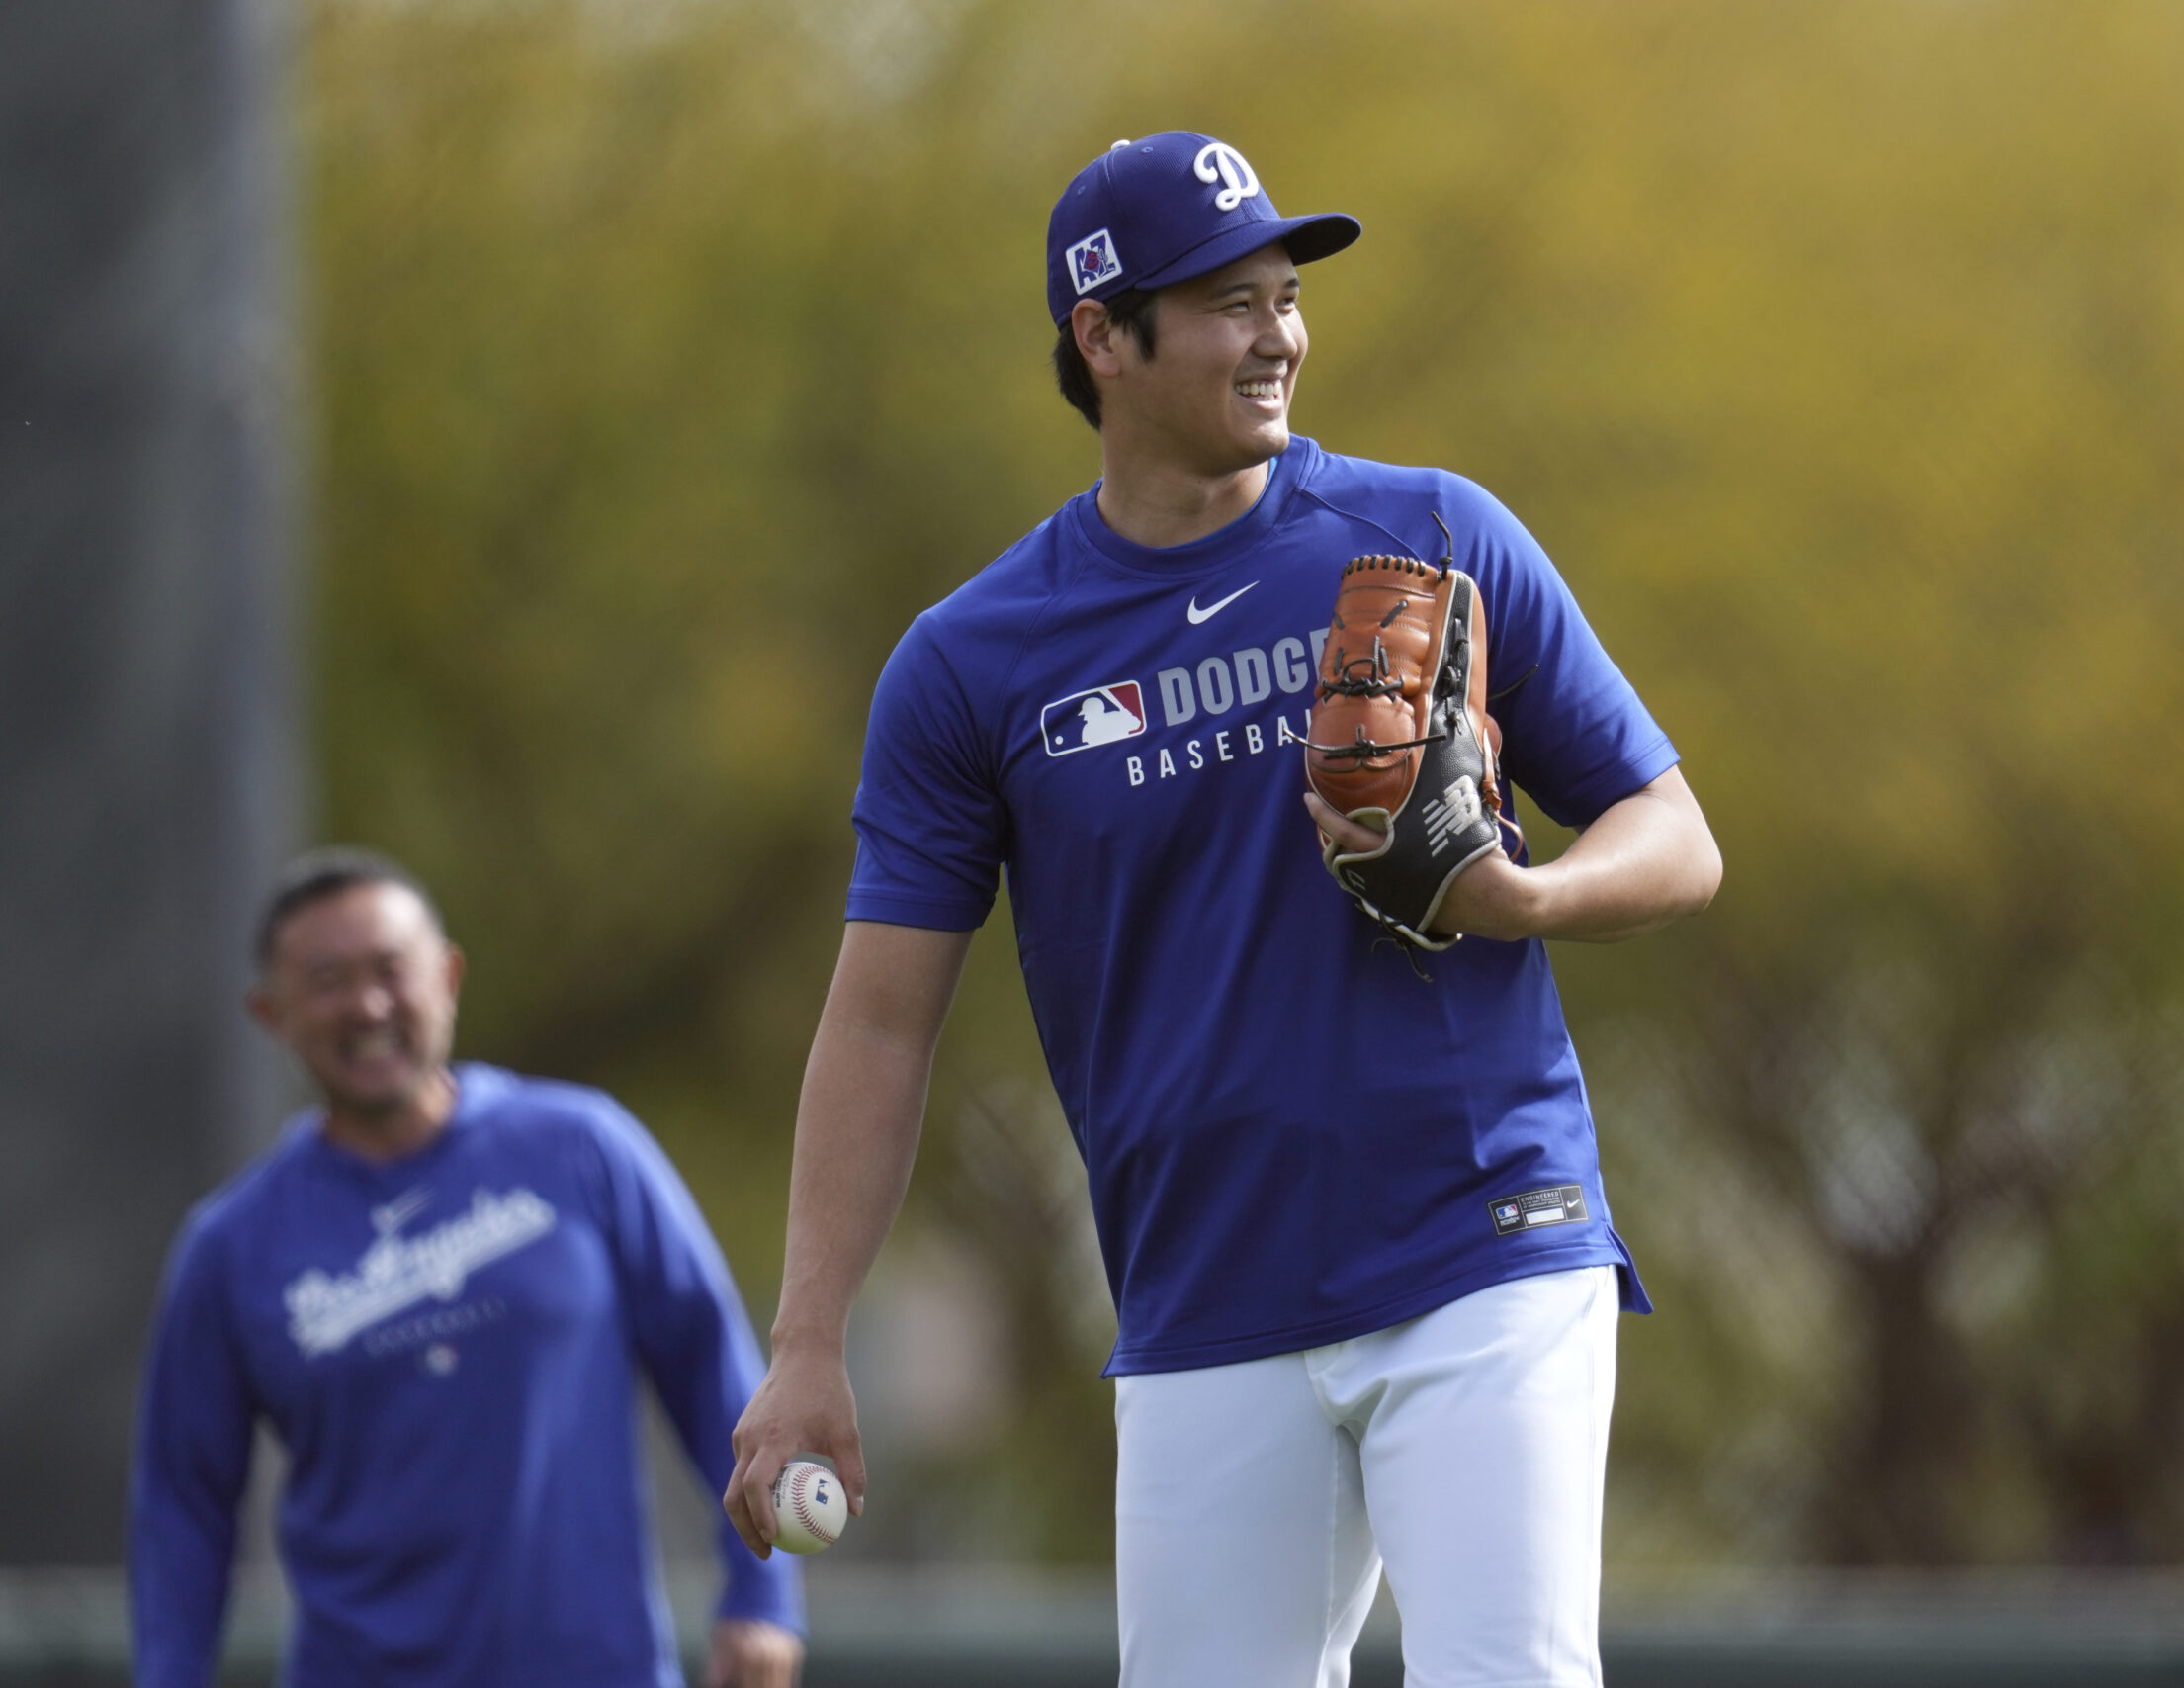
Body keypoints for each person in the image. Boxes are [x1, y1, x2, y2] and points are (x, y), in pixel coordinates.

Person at [724, 132, 1723, 1686]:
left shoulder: (1427, 537)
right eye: (1227, 303)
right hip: (1202, 1293)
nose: (1281, 335)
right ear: (1102, 339)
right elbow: (879, 1015)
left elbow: (1676, 833)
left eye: (1285, 295)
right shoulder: (973, 660)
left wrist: (1523, 895)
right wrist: (805, 1338)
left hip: (1480, 1239)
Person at [131, 850, 805, 1688]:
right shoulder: (231, 1246)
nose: (368, 1003)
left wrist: (766, 1588)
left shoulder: (582, 1149)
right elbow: (182, 1506)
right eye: (328, 978)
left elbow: (716, 1370)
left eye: (390, 968)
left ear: (446, 975)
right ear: (271, 1013)